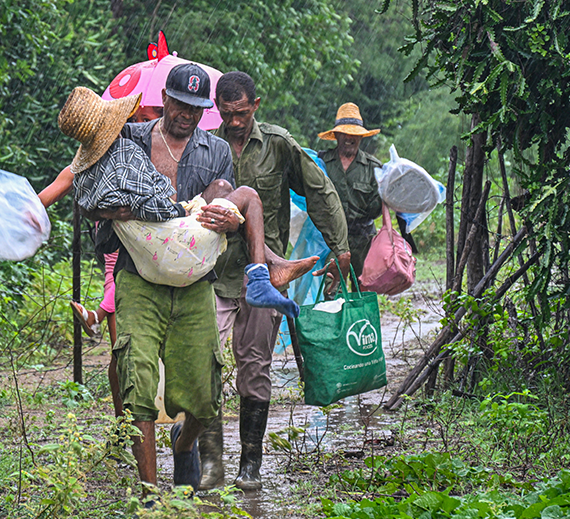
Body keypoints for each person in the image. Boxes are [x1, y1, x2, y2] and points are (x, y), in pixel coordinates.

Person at [68, 64, 313, 494]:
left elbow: (229, 220)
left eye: (198, 108)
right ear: (165, 97)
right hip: (139, 278)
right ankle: (149, 494)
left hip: (194, 278)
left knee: (205, 390)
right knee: (138, 380)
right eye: (181, 104)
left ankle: (184, 447)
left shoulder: (215, 151)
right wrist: (113, 211)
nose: (188, 114)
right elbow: (87, 198)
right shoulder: (129, 140)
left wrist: (228, 221)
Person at [204, 71, 353, 491]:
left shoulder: (279, 145)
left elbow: (319, 192)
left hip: (264, 277)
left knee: (254, 368)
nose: (234, 122)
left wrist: (339, 249)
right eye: (226, 114)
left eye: (241, 113)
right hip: (211, 275)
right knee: (204, 366)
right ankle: (211, 462)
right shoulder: (206, 147)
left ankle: (250, 462)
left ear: (256, 105)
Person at [39, 104, 163, 419]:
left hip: (156, 257)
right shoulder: (92, 166)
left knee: (134, 351)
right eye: (137, 120)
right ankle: (126, 426)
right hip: (121, 260)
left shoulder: (143, 155)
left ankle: (133, 423)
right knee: (122, 352)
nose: (139, 125)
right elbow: (46, 196)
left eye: (145, 120)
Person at [316, 103, 383, 281]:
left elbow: (379, 207)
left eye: (355, 134)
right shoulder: (322, 163)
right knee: (331, 289)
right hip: (331, 241)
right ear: (337, 135)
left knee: (363, 289)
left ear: (360, 137)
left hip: (363, 240)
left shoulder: (373, 167)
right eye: (345, 133)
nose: (349, 138)